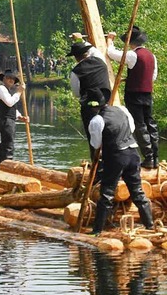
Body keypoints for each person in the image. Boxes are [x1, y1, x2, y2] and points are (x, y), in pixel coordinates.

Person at [86, 90, 154, 234]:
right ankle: (150, 225)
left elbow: (96, 144)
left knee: (106, 194)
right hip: (133, 153)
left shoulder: (97, 120)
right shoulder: (122, 110)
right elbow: (132, 127)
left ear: (92, 107)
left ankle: (97, 231)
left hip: (117, 157)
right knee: (138, 192)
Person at [107, 26, 159, 169]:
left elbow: (111, 53)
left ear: (131, 43)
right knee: (150, 124)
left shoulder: (132, 55)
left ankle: (148, 157)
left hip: (134, 94)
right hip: (147, 93)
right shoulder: (151, 56)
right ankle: (155, 157)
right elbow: (152, 77)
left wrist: (110, 40)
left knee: (140, 125)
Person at [67, 35, 111, 157]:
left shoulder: (76, 71)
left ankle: (97, 166)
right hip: (106, 105)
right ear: (87, 53)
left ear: (76, 58)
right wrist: (80, 40)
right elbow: (94, 50)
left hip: (89, 108)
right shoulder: (100, 61)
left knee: (94, 137)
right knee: (108, 134)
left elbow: (76, 93)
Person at [0, 70, 28, 166]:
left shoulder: (8, 91)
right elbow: (9, 102)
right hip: (5, 121)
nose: (11, 80)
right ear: (4, 79)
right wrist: (19, 93)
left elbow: (11, 107)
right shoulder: (1, 88)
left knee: (7, 143)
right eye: (9, 78)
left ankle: (1, 164)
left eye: (13, 79)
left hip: (9, 120)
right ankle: (5, 165)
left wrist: (20, 116)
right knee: (8, 145)